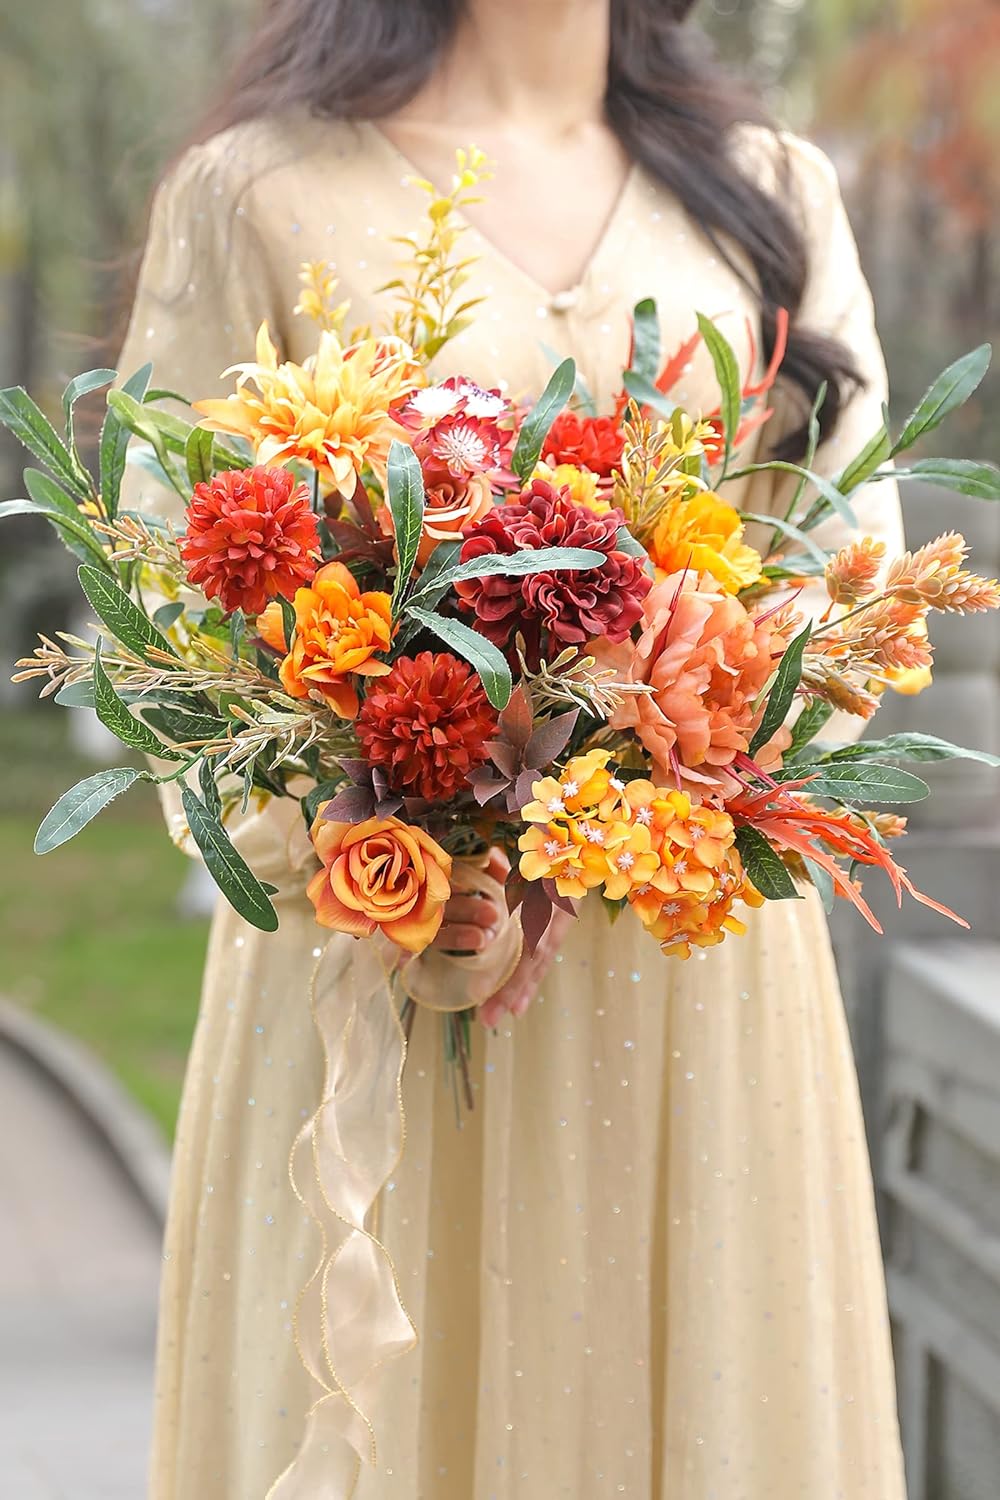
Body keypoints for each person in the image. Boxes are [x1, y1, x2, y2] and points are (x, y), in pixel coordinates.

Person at [118, 1, 908, 1495]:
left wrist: (680, 767)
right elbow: (173, 615)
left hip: (694, 978)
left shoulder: (774, 191)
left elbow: (854, 578)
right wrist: (374, 854)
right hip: (381, 976)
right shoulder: (256, 190)